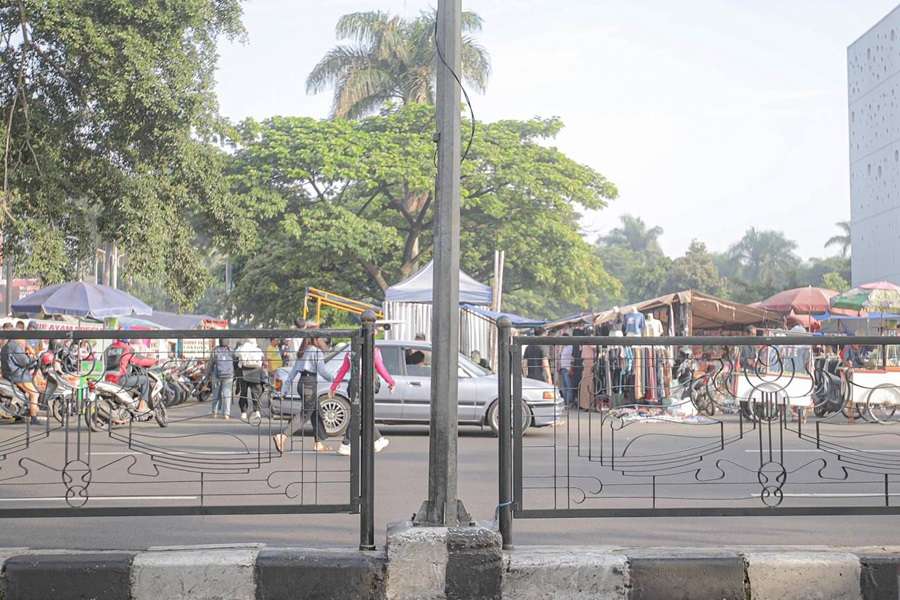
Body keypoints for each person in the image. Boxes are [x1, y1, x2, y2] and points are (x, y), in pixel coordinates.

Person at [328, 344, 394, 456]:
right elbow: (380, 368)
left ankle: (377, 440)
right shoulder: (374, 352)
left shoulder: (351, 353)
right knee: (359, 415)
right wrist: (391, 382)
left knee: (363, 414)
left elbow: (343, 370)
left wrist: (334, 386)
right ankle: (346, 444)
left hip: (354, 385)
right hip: (366, 385)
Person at [273, 335, 332, 453]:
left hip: (302, 383)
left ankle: (318, 443)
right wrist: (335, 379)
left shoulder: (302, 351)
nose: (323, 341)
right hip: (310, 384)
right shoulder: (316, 351)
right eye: (321, 338)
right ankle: (282, 436)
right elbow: (322, 371)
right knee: (304, 415)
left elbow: (292, 373)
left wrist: (284, 391)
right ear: (315, 339)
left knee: (316, 412)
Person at [1, 323, 41, 423]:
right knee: (34, 394)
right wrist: (33, 358)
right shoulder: (15, 347)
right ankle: (34, 418)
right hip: (18, 375)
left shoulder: (6, 346)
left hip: (9, 374)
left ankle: (20, 414)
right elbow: (25, 362)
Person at [103, 337, 157, 412]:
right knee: (145, 379)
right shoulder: (127, 349)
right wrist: (153, 361)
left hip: (108, 379)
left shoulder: (108, 348)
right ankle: (142, 405)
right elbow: (140, 361)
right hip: (120, 379)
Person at [234, 338, 266, 422]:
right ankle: (257, 412)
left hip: (243, 372)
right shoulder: (258, 349)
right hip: (255, 372)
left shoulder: (241, 348)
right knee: (256, 394)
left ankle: (243, 412)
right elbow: (262, 360)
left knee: (243, 393)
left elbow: (236, 356)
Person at [208, 339, 235, 419]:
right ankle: (226, 414)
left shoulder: (215, 350)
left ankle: (215, 412)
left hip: (217, 375)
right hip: (229, 375)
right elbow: (235, 362)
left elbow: (210, 364)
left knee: (216, 394)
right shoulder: (231, 350)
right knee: (227, 395)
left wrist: (208, 374)